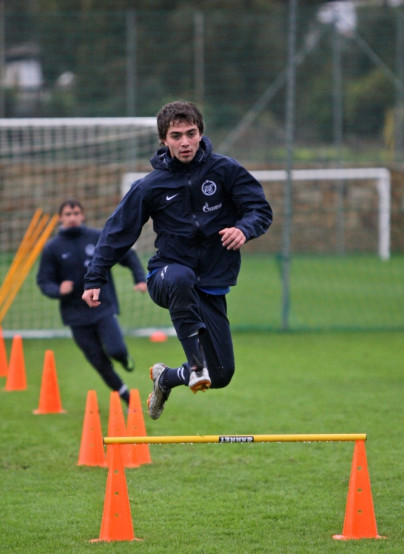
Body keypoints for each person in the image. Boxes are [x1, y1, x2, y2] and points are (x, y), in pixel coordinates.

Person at [82, 101, 273, 420]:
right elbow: (117, 233)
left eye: (191, 133)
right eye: (176, 135)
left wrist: (244, 228)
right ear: (164, 140)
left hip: (210, 284)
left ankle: (166, 378)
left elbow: (260, 210)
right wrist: (94, 278)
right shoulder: (149, 186)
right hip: (165, 277)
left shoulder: (225, 170)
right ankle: (195, 365)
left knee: (222, 374)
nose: (184, 142)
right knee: (181, 277)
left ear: (201, 134)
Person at [37, 199, 147, 406]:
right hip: (75, 316)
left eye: (76, 213)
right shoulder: (52, 248)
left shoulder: (97, 238)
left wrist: (140, 279)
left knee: (116, 350)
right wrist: (58, 290)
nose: (72, 218)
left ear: (83, 215)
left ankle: (124, 359)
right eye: (67, 214)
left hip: (102, 307)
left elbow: (128, 255)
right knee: (99, 361)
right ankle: (126, 397)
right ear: (60, 218)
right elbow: (44, 281)